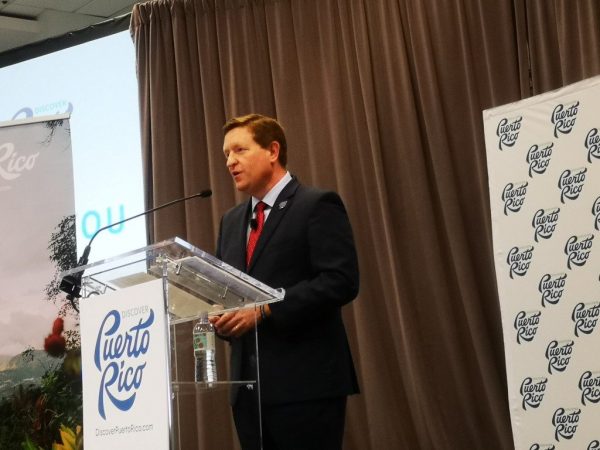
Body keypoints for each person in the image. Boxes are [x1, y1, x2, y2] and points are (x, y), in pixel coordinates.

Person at [211, 113, 359, 450]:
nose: (230, 161)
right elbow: (226, 291)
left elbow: (341, 280)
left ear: (272, 151)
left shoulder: (316, 204)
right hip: (248, 393)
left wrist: (265, 310)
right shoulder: (231, 221)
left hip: (305, 387)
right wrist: (220, 315)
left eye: (239, 150)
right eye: (226, 154)